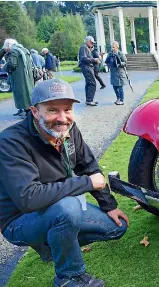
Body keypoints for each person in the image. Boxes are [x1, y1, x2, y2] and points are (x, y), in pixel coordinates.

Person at [0, 78, 129, 287]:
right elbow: (29, 199)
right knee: (68, 208)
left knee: (116, 227)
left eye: (67, 110)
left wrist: (109, 205)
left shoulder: (68, 130)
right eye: (52, 110)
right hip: (20, 220)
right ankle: (68, 277)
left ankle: (55, 243)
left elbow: (89, 166)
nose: (62, 118)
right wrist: (86, 183)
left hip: (58, 207)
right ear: (35, 111)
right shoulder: (11, 142)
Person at [0, 39, 34, 117]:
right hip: (27, 76)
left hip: (19, 78)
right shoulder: (23, 49)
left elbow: (12, 64)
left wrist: (4, 67)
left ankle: (28, 114)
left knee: (22, 95)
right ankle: (28, 112)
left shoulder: (14, 51)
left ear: (8, 46)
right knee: (28, 94)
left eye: (6, 47)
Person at [78, 36, 99, 106]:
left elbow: (86, 58)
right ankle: (89, 100)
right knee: (92, 83)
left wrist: (94, 61)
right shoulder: (84, 47)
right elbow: (83, 58)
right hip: (86, 67)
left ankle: (89, 100)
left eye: (93, 43)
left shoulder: (86, 48)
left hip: (88, 67)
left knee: (88, 83)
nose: (92, 44)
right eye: (91, 42)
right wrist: (94, 60)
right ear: (87, 41)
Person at [105, 41, 127, 105]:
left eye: (114, 47)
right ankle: (118, 98)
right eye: (112, 47)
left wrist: (120, 64)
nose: (112, 48)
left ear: (117, 47)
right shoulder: (110, 54)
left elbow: (125, 62)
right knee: (115, 87)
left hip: (119, 72)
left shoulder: (121, 54)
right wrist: (109, 64)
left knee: (120, 87)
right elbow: (107, 61)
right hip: (113, 73)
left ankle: (121, 100)